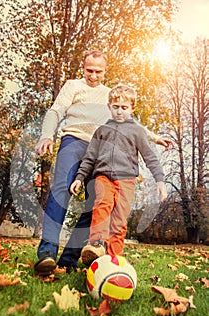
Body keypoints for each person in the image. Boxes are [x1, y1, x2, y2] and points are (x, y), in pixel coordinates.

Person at [34, 50, 172, 276]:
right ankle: (47, 253)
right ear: (83, 67)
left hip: (100, 149)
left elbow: (131, 123)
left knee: (98, 203)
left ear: (105, 71)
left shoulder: (110, 96)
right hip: (73, 141)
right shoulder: (72, 86)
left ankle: (69, 260)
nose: (93, 76)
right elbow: (55, 111)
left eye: (98, 72)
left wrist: (155, 137)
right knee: (61, 191)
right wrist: (47, 135)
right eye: (89, 70)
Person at [69, 84, 167, 266]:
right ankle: (96, 244)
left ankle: (113, 259)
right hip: (103, 177)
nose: (119, 112)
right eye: (115, 107)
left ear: (132, 108)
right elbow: (89, 158)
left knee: (119, 221)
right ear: (109, 107)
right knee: (102, 205)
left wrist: (160, 180)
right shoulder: (101, 131)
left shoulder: (137, 131)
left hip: (126, 180)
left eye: (124, 108)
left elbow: (150, 157)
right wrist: (79, 177)